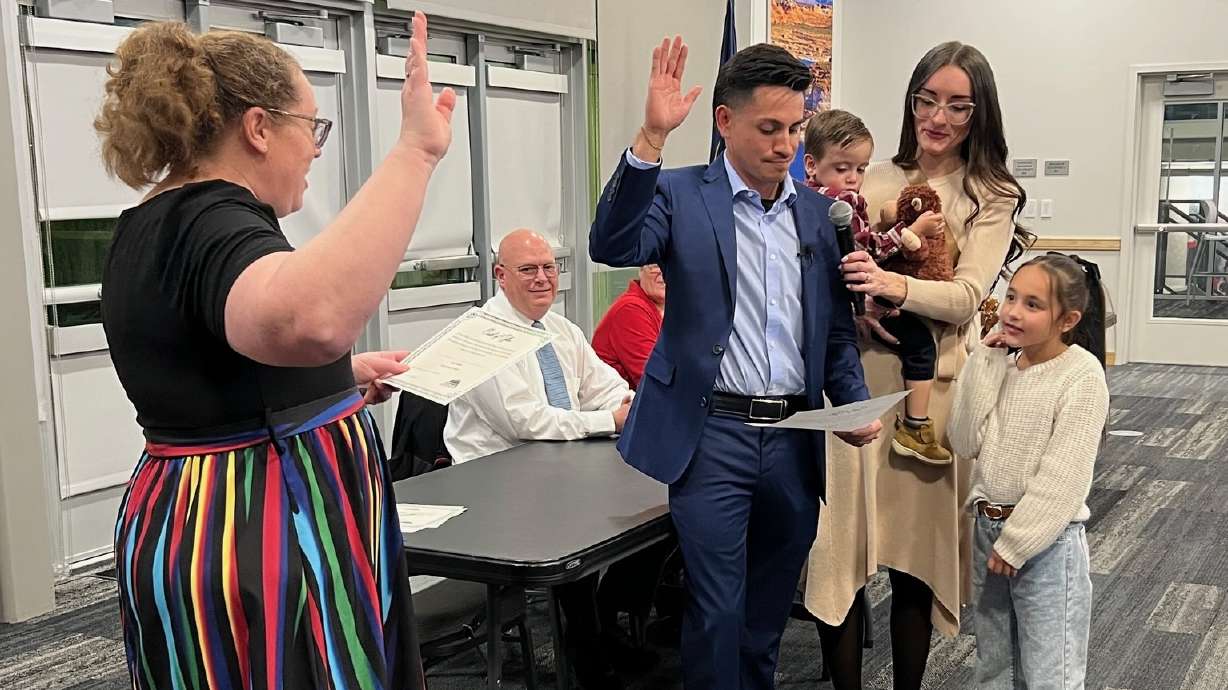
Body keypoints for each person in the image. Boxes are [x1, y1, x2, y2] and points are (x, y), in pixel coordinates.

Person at [97, 13, 453, 689]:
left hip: (198, 521)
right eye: (310, 126)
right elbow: (309, 320)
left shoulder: (149, 224)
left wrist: (335, 383)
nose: (316, 149)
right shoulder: (214, 219)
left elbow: (209, 369)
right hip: (259, 534)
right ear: (258, 128)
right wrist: (416, 153)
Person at [590, 38, 878, 690]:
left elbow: (833, 335)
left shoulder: (817, 214)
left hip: (793, 437)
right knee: (717, 610)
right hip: (712, 434)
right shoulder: (679, 193)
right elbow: (610, 243)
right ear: (725, 122)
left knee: (767, 612)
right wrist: (650, 139)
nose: (785, 145)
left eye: (796, 129)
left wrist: (854, 402)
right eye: (769, 128)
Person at [804, 41, 1030, 690]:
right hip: (847, 384)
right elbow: (826, 270)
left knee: (913, 560)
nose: (939, 116)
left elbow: (963, 296)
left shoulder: (990, 192)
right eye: (927, 99)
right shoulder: (869, 175)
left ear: (979, 111)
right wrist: (854, 307)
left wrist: (891, 288)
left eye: (958, 105)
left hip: (928, 398)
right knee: (835, 551)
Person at [443, 229, 657, 689]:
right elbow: (527, 423)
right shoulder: (481, 335)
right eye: (527, 270)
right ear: (501, 276)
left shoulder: (561, 330)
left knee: (660, 515)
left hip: (558, 467)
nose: (542, 278)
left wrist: (631, 405)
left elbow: (608, 388)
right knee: (576, 538)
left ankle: (601, 625)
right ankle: (588, 650)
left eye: (548, 268)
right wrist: (608, 421)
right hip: (493, 486)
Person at [949, 254, 1108, 689]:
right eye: (1012, 297)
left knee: (1048, 673)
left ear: (1067, 319)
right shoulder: (1003, 363)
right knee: (994, 666)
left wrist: (1018, 543)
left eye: (1033, 304)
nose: (1013, 311)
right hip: (987, 529)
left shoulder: (1081, 375)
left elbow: (1065, 475)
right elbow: (963, 441)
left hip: (1045, 544)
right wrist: (984, 361)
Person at [802, 108, 951, 464]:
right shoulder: (841, 204)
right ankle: (916, 425)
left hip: (831, 298)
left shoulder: (802, 198)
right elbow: (865, 250)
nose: (853, 178)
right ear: (811, 164)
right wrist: (908, 233)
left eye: (860, 169)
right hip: (852, 297)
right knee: (918, 343)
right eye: (843, 169)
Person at [592, 264, 666, 389]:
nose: (663, 272)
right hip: (620, 403)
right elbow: (656, 381)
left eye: (670, 264)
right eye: (654, 265)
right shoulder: (630, 309)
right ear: (640, 269)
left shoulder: (674, 307)